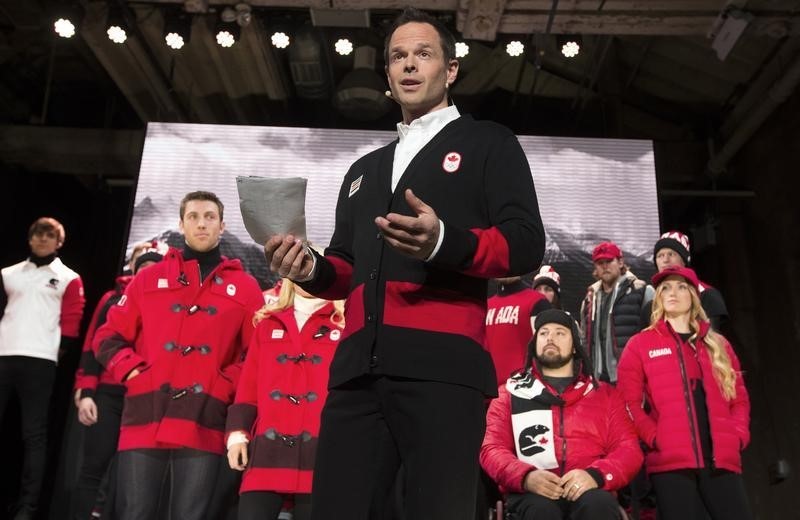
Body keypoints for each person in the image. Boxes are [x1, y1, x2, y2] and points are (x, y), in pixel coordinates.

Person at [263, 8, 545, 519]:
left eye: (423, 54)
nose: (409, 65)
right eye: (398, 56)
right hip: (355, 379)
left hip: (442, 374)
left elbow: (525, 244)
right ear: (389, 77)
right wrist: (309, 269)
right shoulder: (362, 171)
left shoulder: (488, 143)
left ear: (451, 70)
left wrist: (443, 242)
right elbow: (346, 266)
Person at [93, 191, 265, 520]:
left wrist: (224, 384)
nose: (202, 223)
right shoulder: (148, 278)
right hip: (145, 412)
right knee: (135, 514)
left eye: (209, 217)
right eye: (194, 217)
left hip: (205, 416)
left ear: (222, 226)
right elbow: (108, 335)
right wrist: (133, 373)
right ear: (181, 225)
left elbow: (254, 355)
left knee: (191, 515)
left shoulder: (245, 288)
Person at [617, 266, 752, 520]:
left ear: (693, 295)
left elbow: (740, 400)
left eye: (681, 287)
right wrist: (655, 437)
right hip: (671, 465)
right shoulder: (640, 344)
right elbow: (627, 404)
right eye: (665, 287)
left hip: (721, 461)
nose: (672, 292)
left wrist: (738, 436)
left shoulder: (718, 345)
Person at [480, 309, 642, 520]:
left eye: (560, 333)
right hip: (529, 494)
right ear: (534, 343)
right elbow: (491, 448)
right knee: (542, 510)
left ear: (575, 346)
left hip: (590, 490)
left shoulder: (604, 394)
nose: (550, 337)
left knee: (598, 505)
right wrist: (526, 476)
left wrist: (595, 476)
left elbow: (629, 449)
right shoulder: (509, 393)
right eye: (544, 332)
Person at [226, 279, 344, 520]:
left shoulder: (344, 325)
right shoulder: (267, 324)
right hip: (267, 452)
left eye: (312, 267)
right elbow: (248, 387)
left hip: (322, 453)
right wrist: (237, 435)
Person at [71, 243, 164, 520]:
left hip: (145, 395)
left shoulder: (170, 305)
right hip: (109, 392)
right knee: (94, 465)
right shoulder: (113, 299)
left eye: (152, 269)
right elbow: (92, 345)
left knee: (128, 472)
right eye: (141, 268)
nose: (145, 274)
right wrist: (86, 389)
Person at [0, 217, 85, 520]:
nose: (42, 239)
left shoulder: (68, 277)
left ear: (59, 242)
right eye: (38, 233)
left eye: (50, 235)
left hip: (40, 362)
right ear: (30, 238)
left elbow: (72, 325)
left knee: (33, 435)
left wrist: (52, 353)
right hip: (3, 356)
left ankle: (27, 508)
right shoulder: (8, 274)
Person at [580, 241, 652, 384]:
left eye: (609, 261)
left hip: (634, 376)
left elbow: (655, 334)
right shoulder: (589, 299)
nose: (605, 266)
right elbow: (584, 338)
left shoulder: (642, 291)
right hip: (598, 379)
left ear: (620, 262)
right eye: (600, 262)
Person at [645, 230, 728, 330]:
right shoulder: (650, 306)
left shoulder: (708, 295)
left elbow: (713, 340)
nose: (665, 260)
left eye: (671, 254)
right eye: (660, 256)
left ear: (685, 260)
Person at [486, 275, 550, 386]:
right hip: (488, 390)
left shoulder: (537, 301)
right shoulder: (486, 305)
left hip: (522, 390)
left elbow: (546, 350)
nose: (506, 270)